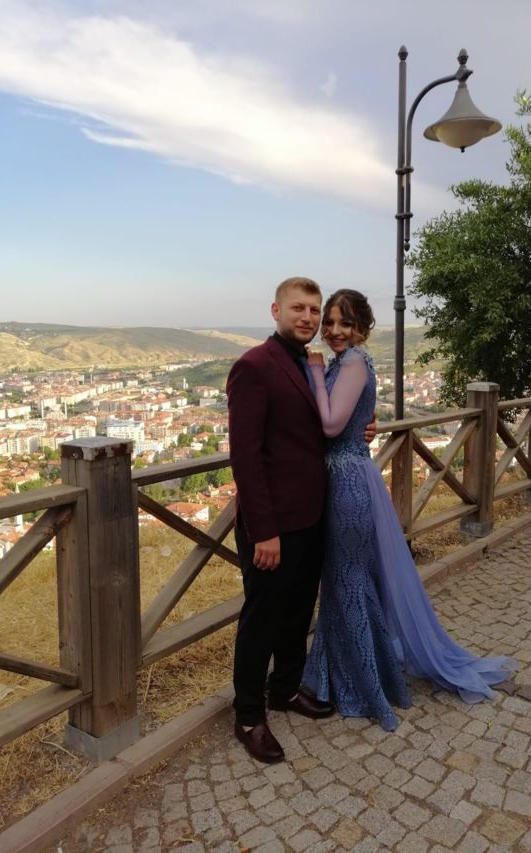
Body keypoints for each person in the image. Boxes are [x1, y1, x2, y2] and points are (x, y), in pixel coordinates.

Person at [302, 289, 517, 732]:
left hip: (347, 483)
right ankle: (336, 674)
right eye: (330, 322)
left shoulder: (351, 361)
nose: (335, 330)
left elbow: (330, 424)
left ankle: (365, 683)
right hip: (341, 478)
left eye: (345, 323)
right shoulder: (345, 363)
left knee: (348, 582)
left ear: (362, 329)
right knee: (342, 581)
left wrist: (315, 369)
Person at [227, 277, 376, 762]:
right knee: (262, 620)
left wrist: (365, 428)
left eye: (314, 310)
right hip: (272, 524)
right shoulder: (254, 366)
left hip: (313, 513)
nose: (309, 318)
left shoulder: (314, 364)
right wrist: (264, 530)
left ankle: (285, 688)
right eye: (299, 308)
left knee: (296, 613)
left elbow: (331, 423)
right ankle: (249, 716)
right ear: (276, 310)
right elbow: (246, 457)